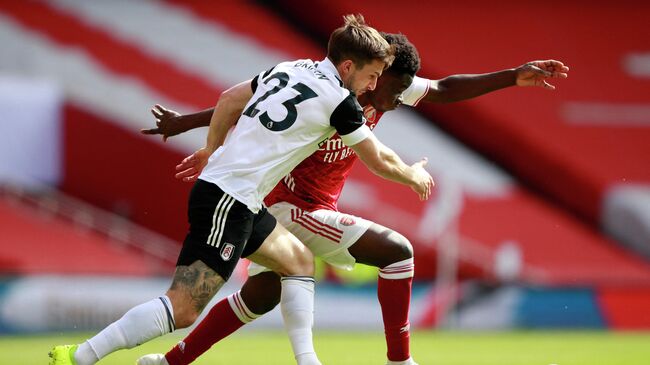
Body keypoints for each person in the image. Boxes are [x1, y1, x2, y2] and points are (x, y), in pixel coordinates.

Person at [138, 30, 569, 365]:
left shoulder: (378, 89)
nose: (398, 101)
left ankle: (171, 360)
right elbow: (252, 104)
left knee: (263, 294)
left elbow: (443, 89)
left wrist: (512, 76)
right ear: (373, 76)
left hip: (301, 207)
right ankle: (400, 360)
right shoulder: (336, 96)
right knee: (398, 252)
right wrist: (189, 124)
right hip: (287, 206)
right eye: (395, 90)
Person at [49, 14, 435, 365]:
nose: (373, 86)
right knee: (182, 308)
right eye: (370, 76)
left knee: (298, 262)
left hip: (243, 200)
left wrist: (210, 150)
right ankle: (80, 356)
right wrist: (412, 175)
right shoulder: (339, 101)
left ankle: (308, 361)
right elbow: (378, 159)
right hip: (228, 201)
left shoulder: (291, 68)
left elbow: (229, 99)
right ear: (348, 66)